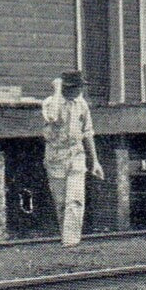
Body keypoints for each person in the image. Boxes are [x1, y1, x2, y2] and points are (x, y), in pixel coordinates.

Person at [40, 70, 103, 246]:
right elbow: (53, 116)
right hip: (55, 154)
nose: (80, 91)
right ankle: (66, 236)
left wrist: (95, 161)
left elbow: (87, 131)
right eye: (77, 87)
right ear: (67, 88)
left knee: (75, 199)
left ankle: (71, 241)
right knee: (60, 201)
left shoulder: (82, 104)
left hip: (76, 153)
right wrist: (57, 90)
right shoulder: (50, 103)